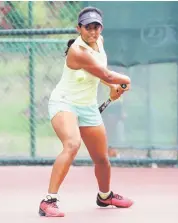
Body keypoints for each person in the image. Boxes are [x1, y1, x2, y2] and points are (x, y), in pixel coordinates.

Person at [39, 6, 133, 217]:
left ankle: (105, 195)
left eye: (96, 27)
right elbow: (108, 75)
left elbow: (98, 73)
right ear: (79, 28)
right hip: (64, 103)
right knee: (72, 144)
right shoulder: (77, 51)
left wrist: (111, 90)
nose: (92, 31)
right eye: (88, 27)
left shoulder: (99, 42)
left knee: (101, 158)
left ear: (101, 28)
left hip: (88, 106)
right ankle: (48, 201)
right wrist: (124, 81)